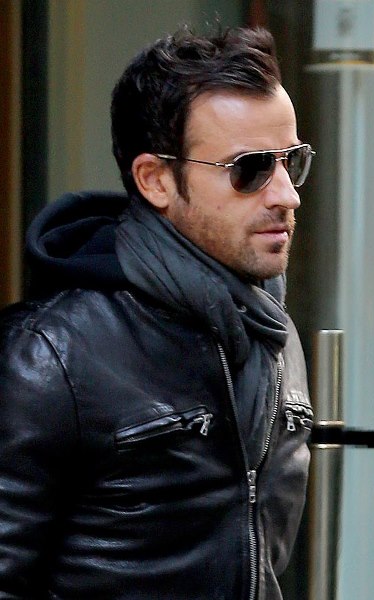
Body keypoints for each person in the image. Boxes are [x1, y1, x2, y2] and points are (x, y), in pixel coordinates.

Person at [0, 25, 315, 599]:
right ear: (155, 180)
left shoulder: (274, 331)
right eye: (249, 169)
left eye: (291, 162)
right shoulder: (51, 354)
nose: (285, 195)